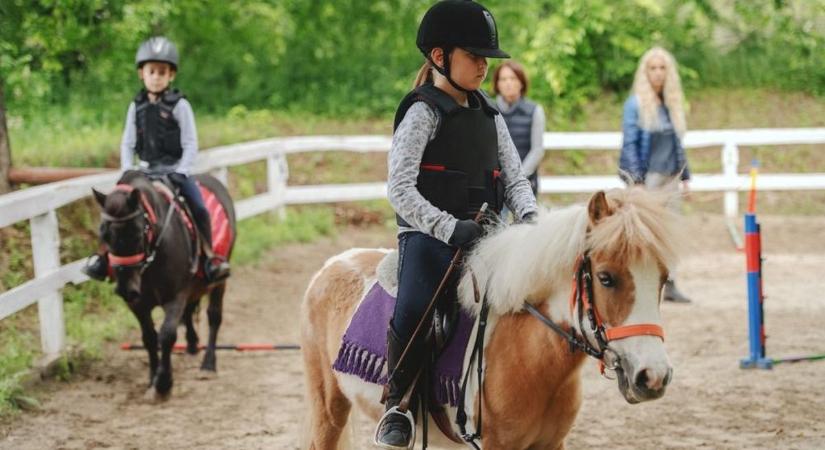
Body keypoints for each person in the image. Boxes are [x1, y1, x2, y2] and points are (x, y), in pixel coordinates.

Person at [377, 1, 538, 448]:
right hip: (428, 236)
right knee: (415, 307)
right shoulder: (422, 112)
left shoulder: (490, 115)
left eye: (487, 57)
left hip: (487, 235)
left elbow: (515, 179)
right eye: (474, 55)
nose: (485, 65)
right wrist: (448, 228)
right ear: (440, 57)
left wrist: (531, 222)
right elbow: (400, 190)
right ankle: (397, 403)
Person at [83, 36, 229, 283]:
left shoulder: (180, 105)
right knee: (114, 209)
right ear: (142, 73)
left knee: (200, 208)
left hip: (174, 171)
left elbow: (190, 143)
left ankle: (208, 257)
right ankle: (102, 258)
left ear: (171, 75)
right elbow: (128, 143)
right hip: (143, 173)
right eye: (152, 71)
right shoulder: (135, 106)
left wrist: (182, 170)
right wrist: (128, 170)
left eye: (163, 72)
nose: (157, 76)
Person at [619, 46, 691, 303]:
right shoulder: (635, 104)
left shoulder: (671, 103)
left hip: (671, 177)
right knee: (646, 233)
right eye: (653, 68)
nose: (658, 73)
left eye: (662, 68)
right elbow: (630, 144)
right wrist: (636, 181)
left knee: (669, 231)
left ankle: (669, 282)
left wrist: (686, 176)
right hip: (648, 179)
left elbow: (677, 143)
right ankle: (644, 284)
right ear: (645, 72)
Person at [493, 60, 546, 196]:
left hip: (526, 182)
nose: (508, 83)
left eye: (513, 78)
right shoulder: (489, 110)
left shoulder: (535, 111)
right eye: (503, 79)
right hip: (495, 183)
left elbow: (537, 150)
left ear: (521, 82)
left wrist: (518, 177)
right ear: (497, 84)